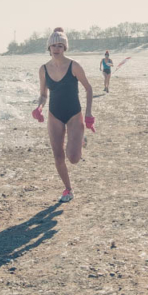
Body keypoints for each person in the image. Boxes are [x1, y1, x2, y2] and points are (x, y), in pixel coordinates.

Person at [31, 28, 95, 203]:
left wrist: (88, 114)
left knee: (73, 158)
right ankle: (68, 189)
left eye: (60, 45)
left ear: (65, 47)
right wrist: (39, 108)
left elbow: (88, 88)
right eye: (54, 45)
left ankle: (78, 139)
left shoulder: (74, 66)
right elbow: (44, 94)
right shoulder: (44, 69)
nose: (57, 48)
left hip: (74, 113)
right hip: (55, 114)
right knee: (58, 155)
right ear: (49, 47)